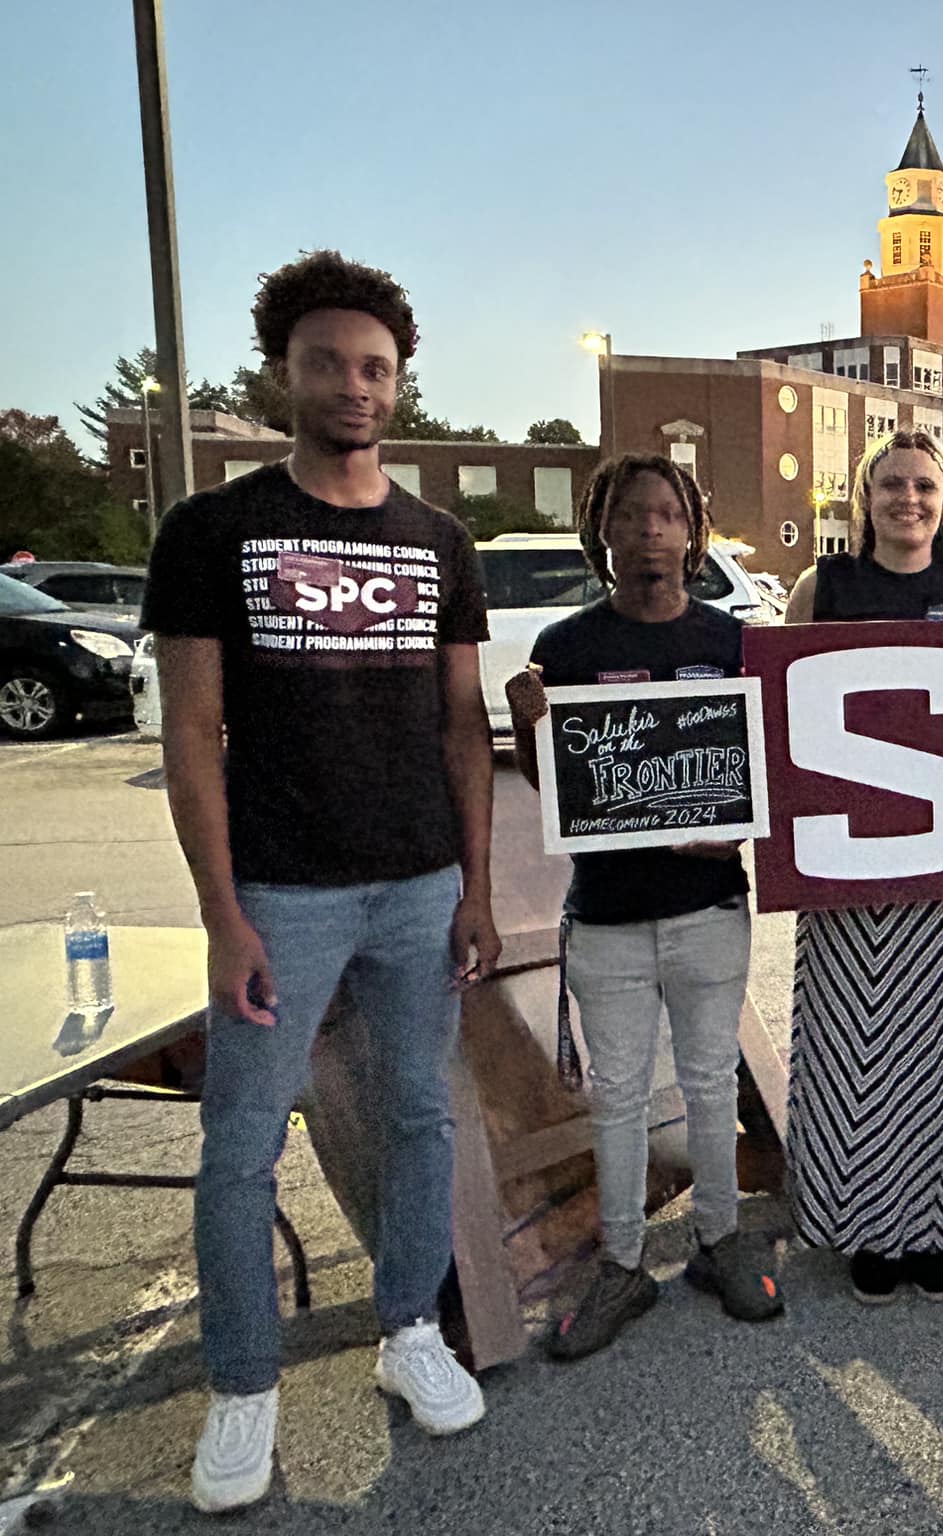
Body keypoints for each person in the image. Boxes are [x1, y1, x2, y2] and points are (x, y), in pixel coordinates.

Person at [143, 251, 498, 1514]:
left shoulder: (437, 538)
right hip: (280, 895)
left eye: (375, 369)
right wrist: (222, 913)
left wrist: (473, 887)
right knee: (240, 1149)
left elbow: (464, 724)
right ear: (282, 373)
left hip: (417, 887)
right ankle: (243, 1388)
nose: (354, 386)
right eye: (328, 364)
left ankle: (408, 1329)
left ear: (399, 386)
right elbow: (192, 736)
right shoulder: (212, 531)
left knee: (420, 1120)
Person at [505, 454, 782, 1360]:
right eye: (633, 517)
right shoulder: (568, 646)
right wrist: (528, 728)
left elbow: (759, 770)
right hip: (609, 915)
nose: (652, 531)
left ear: (693, 534)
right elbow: (559, 786)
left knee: (708, 1087)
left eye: (669, 516)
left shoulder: (730, 643)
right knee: (619, 1098)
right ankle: (621, 1263)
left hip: (709, 906)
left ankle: (717, 1239)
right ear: (605, 533)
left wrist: (735, 828)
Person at [779, 429, 943, 1304]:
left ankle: (936, 1222)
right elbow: (780, 706)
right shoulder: (822, 585)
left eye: (925, 486)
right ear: (864, 496)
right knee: (852, 1044)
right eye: (892, 485)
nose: (908, 500)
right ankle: (861, 1226)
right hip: (845, 856)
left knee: (940, 1045)